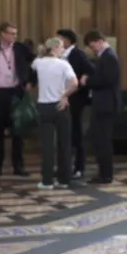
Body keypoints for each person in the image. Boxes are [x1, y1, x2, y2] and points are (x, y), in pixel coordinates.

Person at [0, 22, 35, 177]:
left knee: (18, 130)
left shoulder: (21, 48)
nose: (14, 36)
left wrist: (30, 82)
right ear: (2, 33)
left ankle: (18, 166)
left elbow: (35, 65)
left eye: (16, 33)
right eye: (11, 33)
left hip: (16, 92)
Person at [33, 37, 78, 190]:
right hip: (61, 105)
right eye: (60, 47)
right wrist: (65, 95)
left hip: (44, 106)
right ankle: (64, 180)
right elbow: (75, 83)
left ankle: (47, 181)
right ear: (53, 48)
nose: (63, 50)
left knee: (46, 145)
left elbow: (33, 70)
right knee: (64, 144)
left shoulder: (38, 63)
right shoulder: (63, 64)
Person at [80, 30, 121, 184]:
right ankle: (103, 173)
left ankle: (106, 174)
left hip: (106, 104)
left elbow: (106, 80)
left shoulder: (109, 56)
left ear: (99, 41)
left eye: (93, 46)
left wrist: (87, 81)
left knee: (102, 140)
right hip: (103, 103)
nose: (93, 50)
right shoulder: (105, 56)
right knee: (99, 139)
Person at [56, 29, 95, 179]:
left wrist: (81, 82)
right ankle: (64, 167)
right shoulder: (58, 55)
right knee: (63, 135)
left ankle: (79, 167)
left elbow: (91, 71)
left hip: (76, 99)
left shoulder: (78, 54)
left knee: (76, 134)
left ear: (67, 40)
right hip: (61, 98)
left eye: (60, 38)